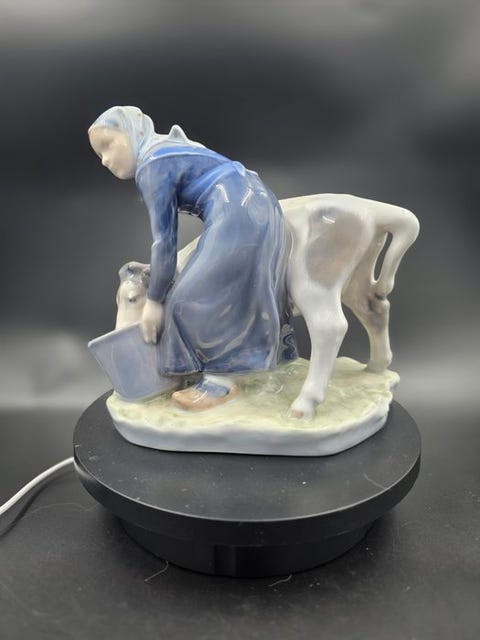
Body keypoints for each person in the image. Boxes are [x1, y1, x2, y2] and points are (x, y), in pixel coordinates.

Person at [89, 106, 297, 410]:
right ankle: (280, 351)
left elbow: (164, 241)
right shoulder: (165, 150)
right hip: (260, 201)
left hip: (237, 207)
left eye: (108, 145)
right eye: (99, 155)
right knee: (249, 282)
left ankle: (219, 382)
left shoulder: (152, 165)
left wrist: (155, 300)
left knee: (187, 300)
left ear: (133, 132)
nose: (105, 159)